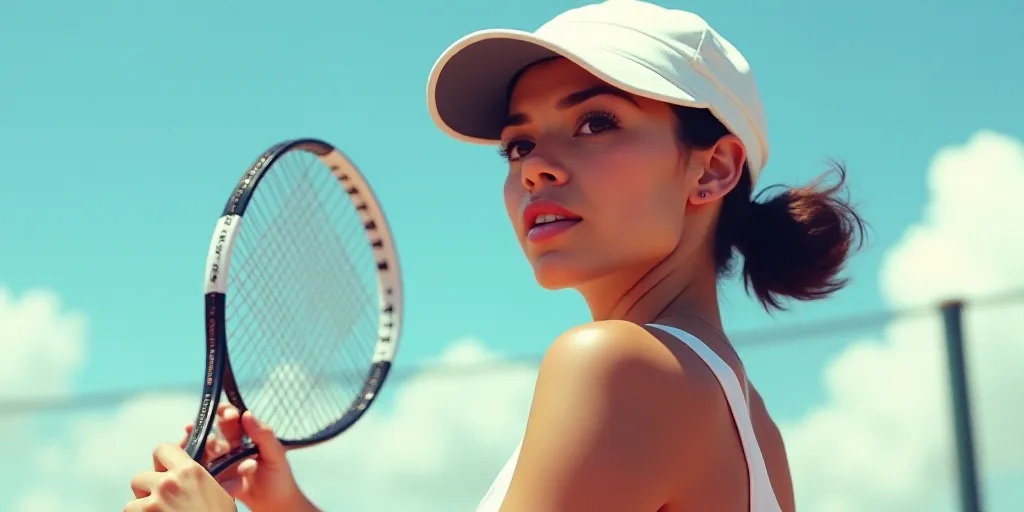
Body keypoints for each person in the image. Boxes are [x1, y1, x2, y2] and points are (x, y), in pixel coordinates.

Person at [123, 1, 865, 511]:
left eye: (596, 122)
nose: (535, 166)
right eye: (518, 142)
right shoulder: (744, 415)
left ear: (713, 168)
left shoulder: (616, 365)